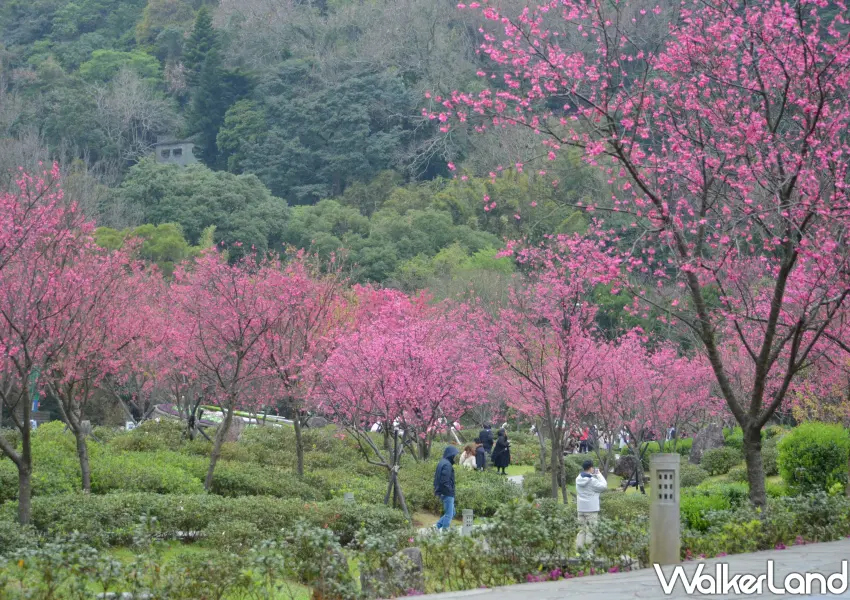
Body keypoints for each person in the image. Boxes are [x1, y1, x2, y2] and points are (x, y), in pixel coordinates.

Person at [575, 459, 608, 551]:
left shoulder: (578, 478)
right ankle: (589, 553)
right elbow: (604, 486)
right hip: (591, 510)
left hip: (580, 509)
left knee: (581, 530)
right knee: (591, 531)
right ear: (591, 468)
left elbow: (586, 477)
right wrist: (598, 474)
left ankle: (579, 552)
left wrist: (592, 474)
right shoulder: (592, 481)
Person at [433, 446, 459, 530]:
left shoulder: (442, 462)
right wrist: (450, 491)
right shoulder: (447, 465)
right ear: (450, 454)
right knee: (449, 514)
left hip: (443, 491)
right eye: (454, 455)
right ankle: (445, 533)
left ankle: (436, 527)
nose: (455, 457)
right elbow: (445, 481)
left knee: (452, 512)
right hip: (447, 492)